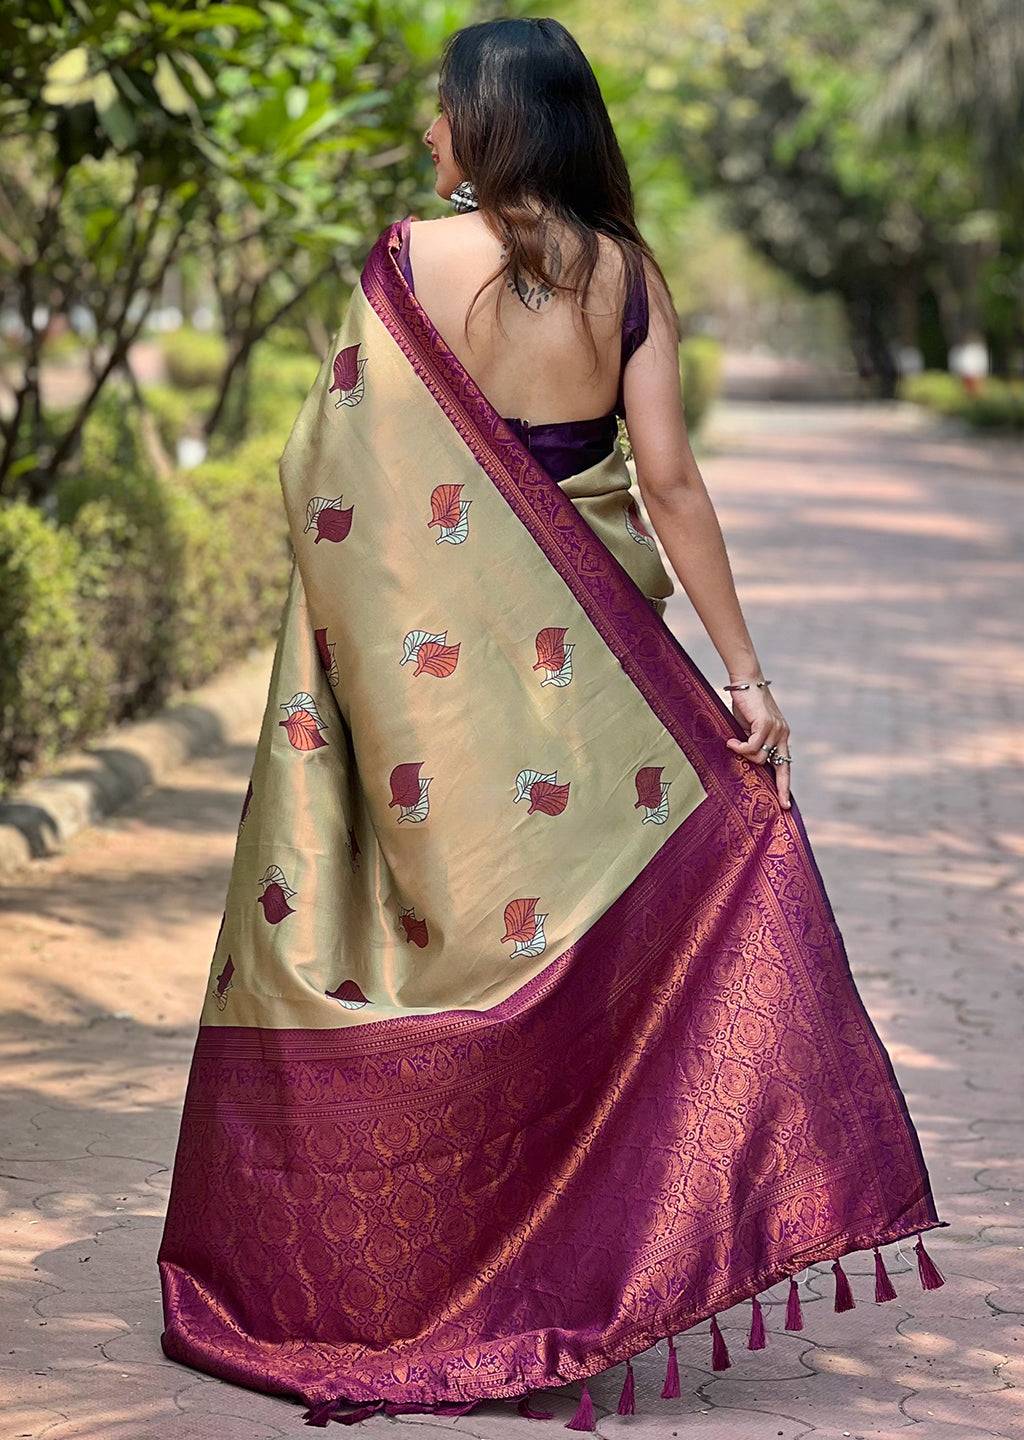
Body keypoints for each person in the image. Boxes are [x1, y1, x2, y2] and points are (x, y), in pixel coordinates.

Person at [157, 17, 947, 1431]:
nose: (427, 134)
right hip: (596, 693)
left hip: (430, 697)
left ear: (490, 122)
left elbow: (324, 471)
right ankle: (554, 1291)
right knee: (580, 960)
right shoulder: (627, 278)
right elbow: (669, 485)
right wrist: (745, 681)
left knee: (449, 950)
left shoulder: (406, 261)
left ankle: (422, 1286)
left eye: (442, 110)